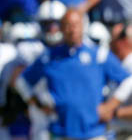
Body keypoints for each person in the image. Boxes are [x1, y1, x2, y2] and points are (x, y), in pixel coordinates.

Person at [15, 9, 132, 140]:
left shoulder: (98, 54)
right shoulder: (50, 57)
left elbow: (128, 80)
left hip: (93, 132)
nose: (72, 29)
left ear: (83, 26)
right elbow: (22, 82)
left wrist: (110, 106)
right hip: (60, 131)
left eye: (75, 25)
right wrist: (37, 104)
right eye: (67, 25)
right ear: (61, 28)